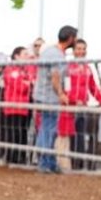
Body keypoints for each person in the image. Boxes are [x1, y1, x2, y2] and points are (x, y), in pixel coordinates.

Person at [35, 26, 77, 174]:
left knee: (45, 128)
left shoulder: (48, 51)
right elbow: (55, 77)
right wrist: (61, 94)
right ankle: (46, 163)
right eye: (75, 38)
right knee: (49, 129)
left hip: (40, 95)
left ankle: (46, 161)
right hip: (49, 97)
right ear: (71, 38)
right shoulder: (57, 55)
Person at [62, 39, 101, 170]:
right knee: (71, 135)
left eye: (83, 48)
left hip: (83, 107)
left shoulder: (87, 68)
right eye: (78, 48)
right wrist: (73, 100)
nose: (81, 51)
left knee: (80, 135)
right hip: (70, 107)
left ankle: (79, 163)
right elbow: (66, 87)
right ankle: (72, 162)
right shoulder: (68, 67)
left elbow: (93, 87)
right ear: (73, 51)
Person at [2, 46, 35, 165]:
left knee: (22, 132)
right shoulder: (10, 69)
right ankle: (12, 157)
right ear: (16, 56)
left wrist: (27, 83)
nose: (27, 56)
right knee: (13, 133)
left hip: (23, 107)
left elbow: (28, 83)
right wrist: (27, 83)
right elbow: (20, 87)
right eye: (24, 54)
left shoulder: (24, 70)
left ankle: (20, 157)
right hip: (13, 107)